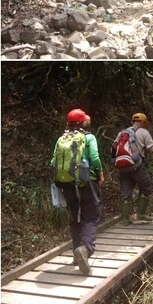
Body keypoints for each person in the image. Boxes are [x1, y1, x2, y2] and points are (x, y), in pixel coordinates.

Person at [51, 108, 104, 275]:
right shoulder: (88, 138)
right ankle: (85, 249)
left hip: (67, 184)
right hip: (87, 182)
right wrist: (100, 173)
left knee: (75, 217)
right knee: (90, 216)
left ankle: (76, 252)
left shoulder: (62, 139)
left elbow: (53, 161)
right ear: (84, 123)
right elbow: (94, 158)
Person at [117, 113, 153, 225]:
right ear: (143, 122)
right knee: (146, 186)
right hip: (136, 166)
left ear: (132, 121)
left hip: (122, 166)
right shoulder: (143, 132)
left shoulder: (122, 132)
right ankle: (141, 214)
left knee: (126, 192)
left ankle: (125, 219)